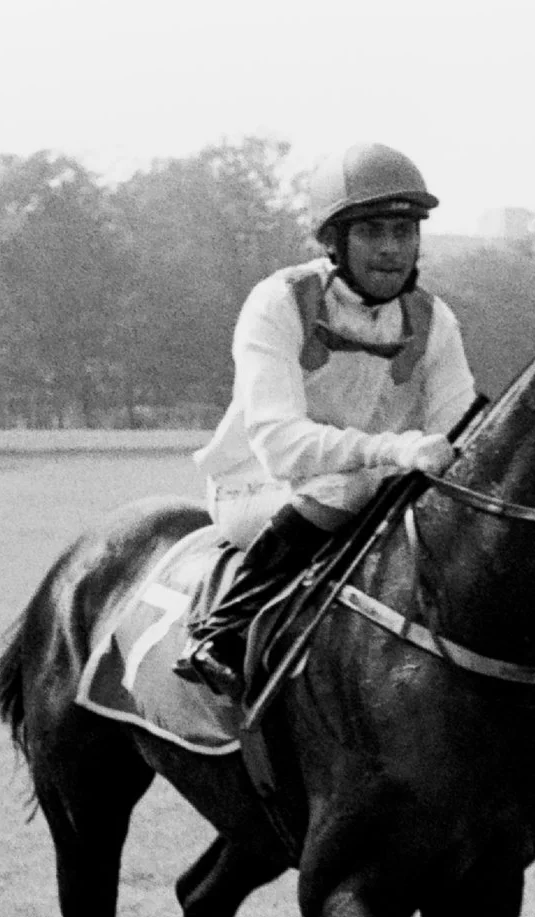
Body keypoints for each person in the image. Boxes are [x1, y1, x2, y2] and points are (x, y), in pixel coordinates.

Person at [176, 143, 479, 698]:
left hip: (374, 491)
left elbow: (456, 434)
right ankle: (222, 630)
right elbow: (281, 448)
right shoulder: (279, 302)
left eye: (404, 231)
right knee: (348, 487)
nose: (391, 249)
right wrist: (394, 451)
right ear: (334, 240)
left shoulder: (434, 320)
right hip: (258, 492)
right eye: (371, 232)